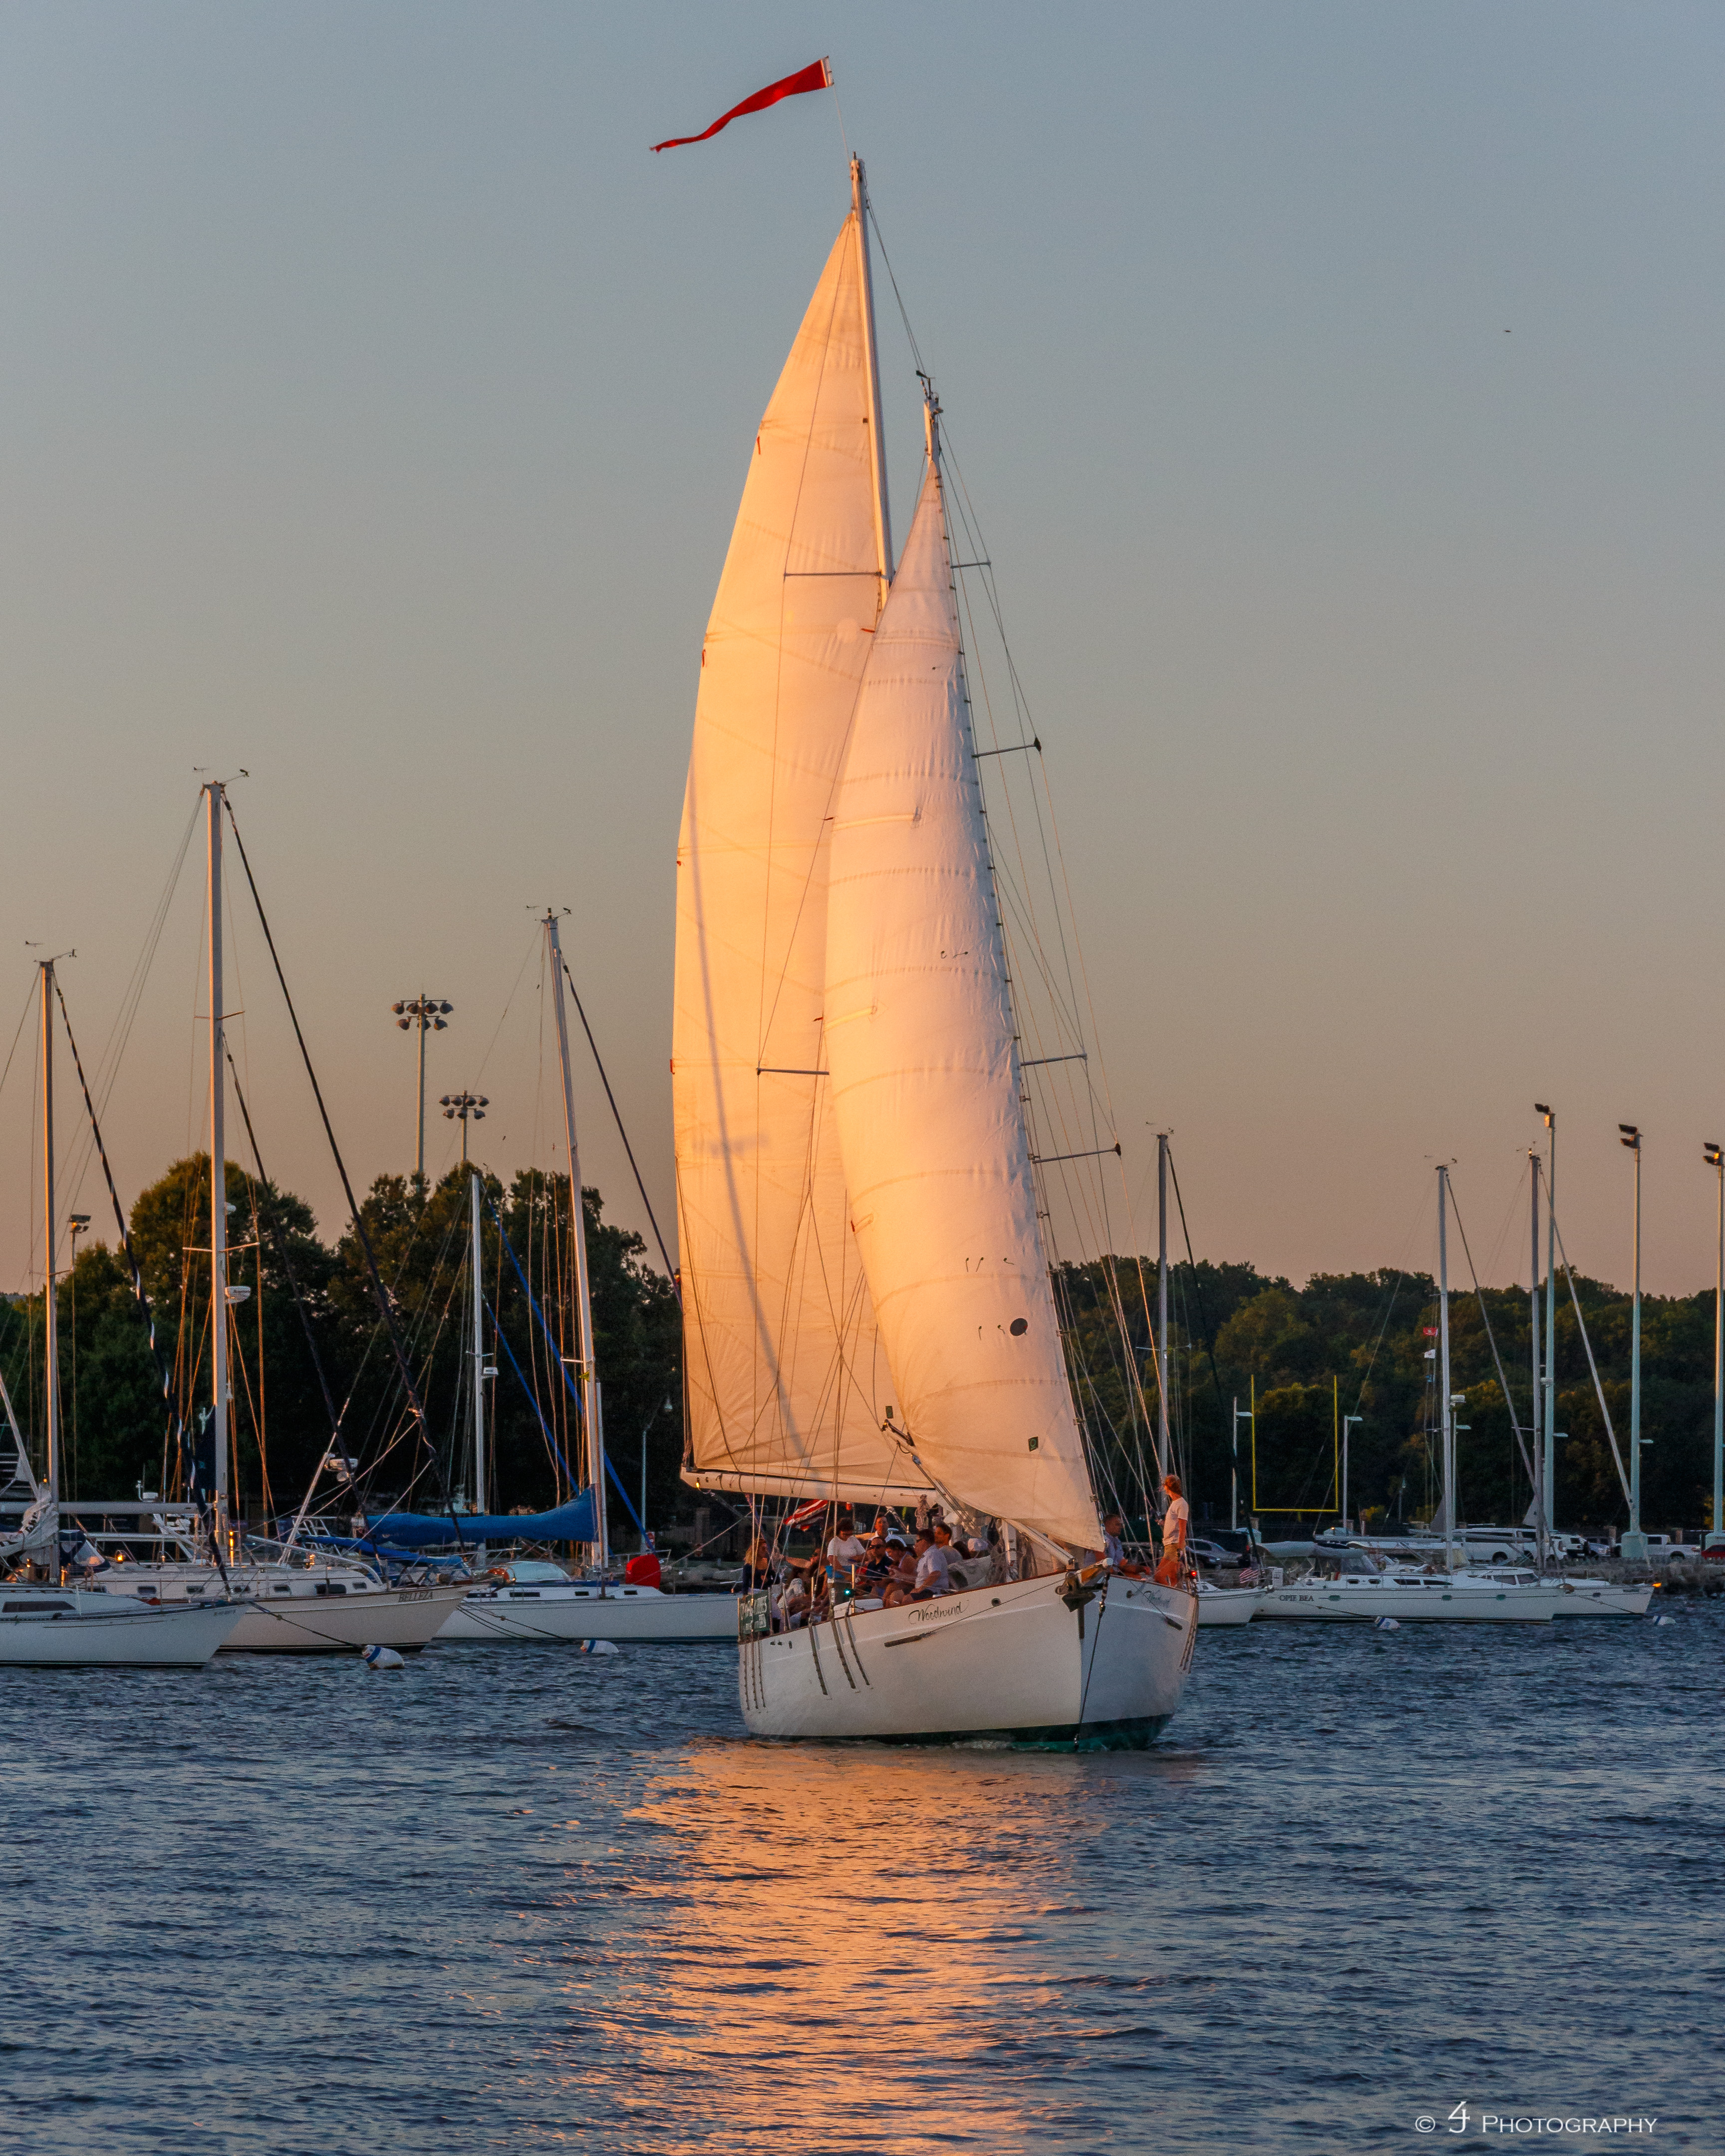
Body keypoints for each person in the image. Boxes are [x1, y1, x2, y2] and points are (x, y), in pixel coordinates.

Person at [1154, 1474, 1190, 1586]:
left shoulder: (1182, 1504)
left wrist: (1180, 1549)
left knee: (1159, 1575)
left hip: (1174, 1545)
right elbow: (1175, 1524)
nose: (1164, 1488)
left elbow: (1183, 1528)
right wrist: (1164, 1523)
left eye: (1165, 1486)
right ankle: (1177, 1599)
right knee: (1174, 1578)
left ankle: (1169, 1597)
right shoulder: (1175, 1503)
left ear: (1168, 1487)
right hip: (1169, 1544)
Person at [1100, 1511, 1148, 1579]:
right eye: (1117, 1524)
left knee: (1137, 1577)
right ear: (1107, 1525)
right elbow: (1101, 1563)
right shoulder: (1102, 1540)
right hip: (1101, 1576)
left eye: (1121, 1525)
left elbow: (1123, 1565)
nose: (1121, 1527)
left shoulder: (1117, 1542)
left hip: (1113, 1575)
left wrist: (1142, 1568)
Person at [910, 1528, 953, 1601]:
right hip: (926, 1590)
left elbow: (936, 1573)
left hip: (932, 1592)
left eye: (917, 1541)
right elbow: (920, 1578)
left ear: (923, 1542)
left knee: (906, 1599)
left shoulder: (933, 1554)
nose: (915, 1544)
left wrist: (920, 1589)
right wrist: (900, 1576)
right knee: (897, 1595)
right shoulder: (927, 1555)